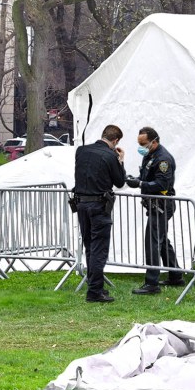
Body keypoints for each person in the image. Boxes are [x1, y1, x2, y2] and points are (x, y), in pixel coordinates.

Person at [73, 125, 127, 303]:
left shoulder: (81, 150)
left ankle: (93, 284)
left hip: (81, 204)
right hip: (99, 206)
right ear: (115, 141)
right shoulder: (111, 155)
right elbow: (119, 182)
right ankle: (95, 291)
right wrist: (120, 160)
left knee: (89, 246)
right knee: (99, 249)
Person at [125, 127, 182, 295]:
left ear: (154, 141)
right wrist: (137, 179)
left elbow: (162, 184)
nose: (140, 147)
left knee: (152, 242)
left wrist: (141, 184)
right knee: (161, 240)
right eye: (139, 143)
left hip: (162, 205)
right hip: (155, 204)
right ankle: (176, 275)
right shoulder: (150, 156)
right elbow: (148, 177)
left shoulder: (163, 159)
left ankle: (152, 283)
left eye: (143, 144)